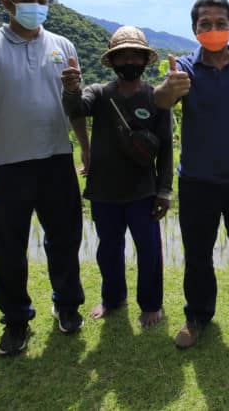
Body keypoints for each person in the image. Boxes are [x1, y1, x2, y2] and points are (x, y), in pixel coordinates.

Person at [0, 0, 88, 355]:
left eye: (43, 1)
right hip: (3, 166)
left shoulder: (63, 46)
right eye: (28, 0)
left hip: (55, 160)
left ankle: (67, 306)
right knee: (7, 248)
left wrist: (85, 146)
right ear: (8, 3)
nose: (36, 7)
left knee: (65, 239)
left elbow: (75, 104)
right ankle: (16, 321)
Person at [154, 0, 229, 349]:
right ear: (194, 30)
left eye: (220, 23)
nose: (214, 29)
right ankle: (197, 316)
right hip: (197, 182)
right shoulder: (184, 70)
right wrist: (167, 88)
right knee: (197, 255)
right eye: (205, 24)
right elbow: (161, 102)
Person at [61, 26, 173, 328]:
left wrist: (164, 191)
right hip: (104, 191)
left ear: (145, 60)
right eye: (122, 56)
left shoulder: (156, 98)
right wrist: (71, 87)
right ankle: (113, 299)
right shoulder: (99, 93)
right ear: (113, 61)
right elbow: (74, 108)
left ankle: (151, 305)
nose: (129, 61)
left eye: (135, 55)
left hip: (143, 191)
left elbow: (166, 149)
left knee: (149, 250)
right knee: (108, 250)